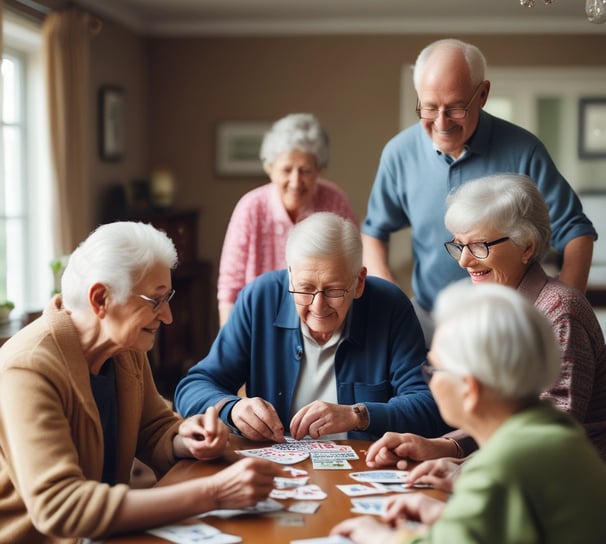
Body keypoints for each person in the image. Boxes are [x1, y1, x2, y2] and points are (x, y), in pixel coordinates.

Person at [0, 222, 282, 544]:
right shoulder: (28, 367)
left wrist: (187, 438)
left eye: (168, 298)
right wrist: (214, 493)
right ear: (101, 299)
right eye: (155, 300)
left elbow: (154, 428)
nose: (168, 316)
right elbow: (60, 507)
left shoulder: (125, 347)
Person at [363, 174, 606, 473]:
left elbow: (548, 433)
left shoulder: (559, 311)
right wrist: (441, 446)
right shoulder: (497, 308)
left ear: (526, 247)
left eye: (479, 246)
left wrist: (463, 469)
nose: (464, 261)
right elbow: (504, 417)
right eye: (459, 245)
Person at [361, 38, 596, 346]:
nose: (441, 122)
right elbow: (374, 230)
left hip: (508, 322)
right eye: (429, 107)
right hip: (430, 319)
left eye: (456, 108)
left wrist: (560, 313)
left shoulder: (524, 151)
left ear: (483, 94)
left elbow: (576, 231)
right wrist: (394, 299)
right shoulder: (398, 153)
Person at [331, 281, 606, 544]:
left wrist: (381, 537)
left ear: (469, 389)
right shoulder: (552, 428)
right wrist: (445, 516)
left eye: (434, 370)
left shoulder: (503, 464)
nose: (429, 381)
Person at [175, 212, 449, 442]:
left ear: (359, 282)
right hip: (275, 471)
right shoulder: (259, 297)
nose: (318, 307)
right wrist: (232, 409)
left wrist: (358, 415)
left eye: (334, 290)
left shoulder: (390, 306)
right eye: (305, 289)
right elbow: (192, 387)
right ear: (290, 278)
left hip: (364, 468)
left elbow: (431, 406)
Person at [217, 112, 358, 327]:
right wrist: (232, 349)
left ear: (320, 170)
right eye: (286, 169)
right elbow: (230, 287)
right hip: (260, 324)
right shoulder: (250, 207)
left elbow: (353, 268)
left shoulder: (334, 201)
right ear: (270, 168)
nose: (295, 181)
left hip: (322, 322)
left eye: (305, 171)